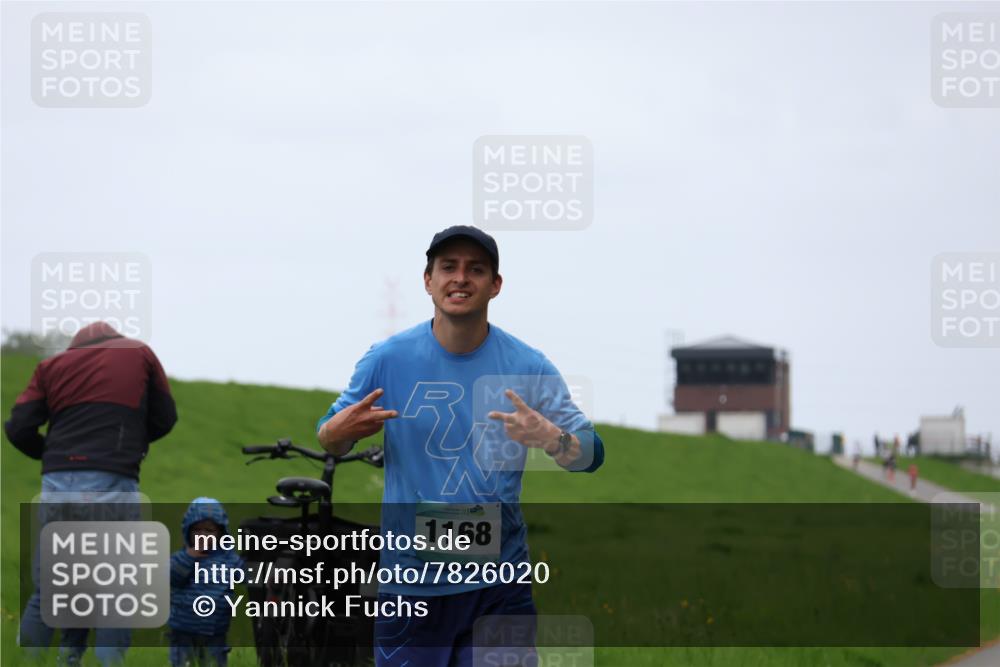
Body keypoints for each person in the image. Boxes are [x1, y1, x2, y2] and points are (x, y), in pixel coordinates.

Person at [316, 225, 605, 667]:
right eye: (448, 267)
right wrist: (340, 432)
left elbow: (590, 454)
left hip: (499, 586)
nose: (461, 278)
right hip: (410, 586)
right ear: (428, 280)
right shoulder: (386, 359)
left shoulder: (529, 365)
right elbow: (329, 436)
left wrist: (552, 438)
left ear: (496, 285)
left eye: (476, 269)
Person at [5, 321, 177, 666]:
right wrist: (131, 446)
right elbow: (165, 417)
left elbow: (19, 427)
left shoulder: (51, 366)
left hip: (58, 485)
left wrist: (51, 453)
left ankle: (28, 661)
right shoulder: (138, 353)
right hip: (112, 479)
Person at [169, 498, 243, 667]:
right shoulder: (181, 557)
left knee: (213, 662)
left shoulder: (228, 559)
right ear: (188, 531)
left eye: (209, 531)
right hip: (183, 629)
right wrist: (189, 557)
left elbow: (247, 574)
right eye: (197, 530)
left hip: (215, 629)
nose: (203, 535)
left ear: (220, 533)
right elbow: (174, 578)